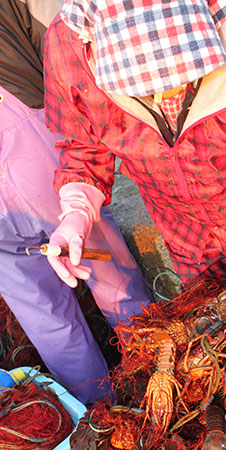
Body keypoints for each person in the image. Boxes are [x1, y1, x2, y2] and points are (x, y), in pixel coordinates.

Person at [43, 0, 226, 314]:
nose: (165, 92)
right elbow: (83, 144)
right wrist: (76, 213)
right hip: (189, 243)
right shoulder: (68, 47)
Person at [0, 0, 152, 404]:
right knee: (100, 280)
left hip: (32, 168)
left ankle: (125, 398)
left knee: (56, 308)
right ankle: (138, 391)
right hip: (38, 160)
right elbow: (65, 30)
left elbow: (64, 27)